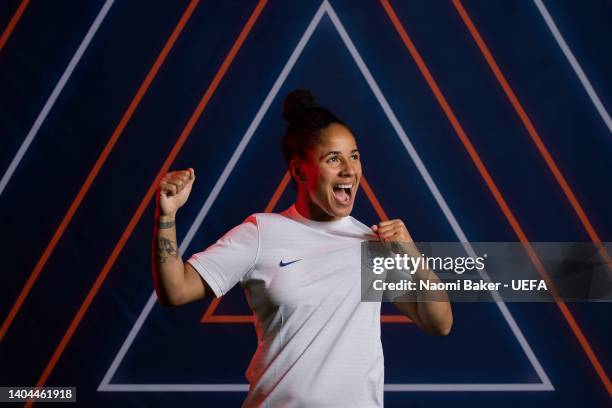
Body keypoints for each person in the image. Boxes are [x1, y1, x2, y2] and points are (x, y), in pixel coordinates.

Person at [152, 89, 453, 407]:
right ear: (298, 171)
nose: (349, 170)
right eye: (333, 159)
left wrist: (413, 255)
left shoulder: (372, 245)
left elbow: (439, 323)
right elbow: (176, 290)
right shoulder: (261, 233)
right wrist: (166, 216)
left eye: (354, 155)